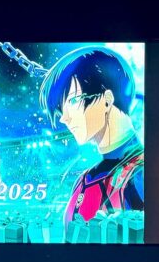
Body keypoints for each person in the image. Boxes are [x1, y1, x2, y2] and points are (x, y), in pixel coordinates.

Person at [39, 46, 144, 228]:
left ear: (107, 99)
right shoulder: (83, 180)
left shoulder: (141, 175)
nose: (64, 118)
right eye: (62, 109)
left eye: (73, 100)